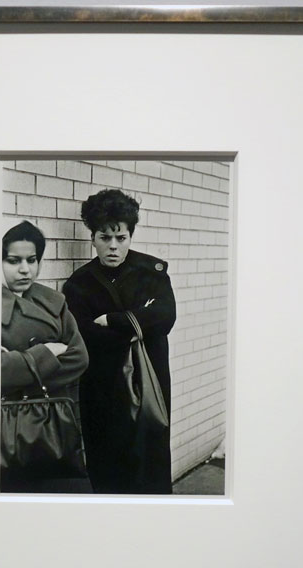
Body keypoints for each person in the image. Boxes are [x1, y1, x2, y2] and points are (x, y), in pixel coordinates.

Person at [62, 189, 177, 494]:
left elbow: (165, 317)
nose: (113, 246)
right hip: (102, 385)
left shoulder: (151, 273)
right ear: (92, 238)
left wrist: (114, 320)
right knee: (106, 461)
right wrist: (139, 323)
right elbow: (84, 334)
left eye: (121, 238)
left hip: (148, 379)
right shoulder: (79, 283)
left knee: (150, 459)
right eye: (104, 238)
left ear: (130, 236)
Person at [0, 221, 90, 493]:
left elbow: (79, 358)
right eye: (13, 261)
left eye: (32, 260)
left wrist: (18, 364)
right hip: (7, 429)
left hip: (54, 424)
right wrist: (47, 353)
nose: (25, 269)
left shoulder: (54, 302)